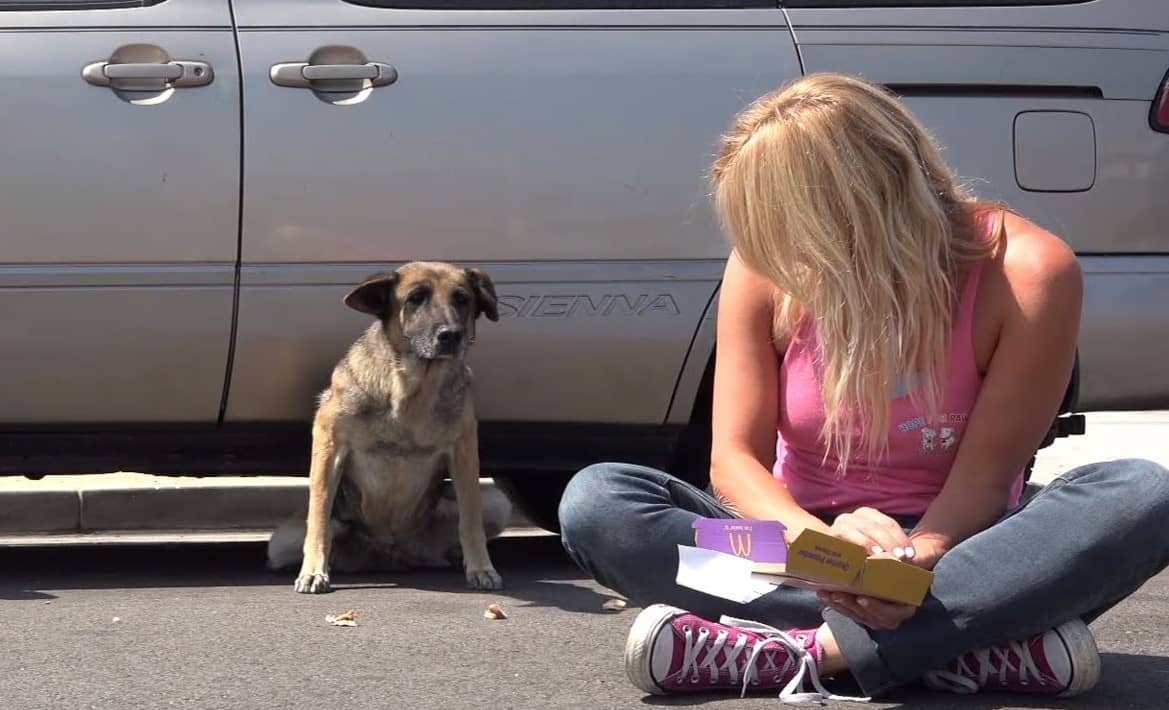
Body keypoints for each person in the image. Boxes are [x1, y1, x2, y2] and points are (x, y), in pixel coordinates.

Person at [557, 72, 1169, 702]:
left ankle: (801, 652)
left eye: (789, 231)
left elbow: (986, 482)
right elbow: (734, 463)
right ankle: (959, 644)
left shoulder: (1029, 271)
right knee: (601, 504)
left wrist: (914, 557)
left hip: (963, 552)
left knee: (1143, 494)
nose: (776, 253)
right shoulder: (762, 264)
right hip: (787, 552)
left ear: (866, 207)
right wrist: (822, 548)